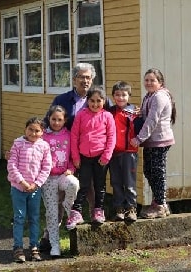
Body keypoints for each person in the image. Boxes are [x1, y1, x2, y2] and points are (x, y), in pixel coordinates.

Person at [40, 62, 112, 251]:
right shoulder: (62, 99)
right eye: (81, 77)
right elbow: (47, 122)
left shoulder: (100, 98)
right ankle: (49, 236)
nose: (85, 80)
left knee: (92, 190)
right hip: (66, 156)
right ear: (73, 79)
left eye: (88, 77)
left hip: (93, 155)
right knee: (61, 194)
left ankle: (92, 229)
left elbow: (112, 120)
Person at [66, 86, 116, 229]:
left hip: (101, 158)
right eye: (92, 101)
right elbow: (74, 136)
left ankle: (98, 211)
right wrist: (75, 157)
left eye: (98, 101)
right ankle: (76, 212)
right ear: (87, 101)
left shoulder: (107, 116)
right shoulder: (81, 115)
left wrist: (107, 155)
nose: (95, 104)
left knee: (100, 186)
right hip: (84, 157)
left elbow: (112, 137)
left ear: (104, 101)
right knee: (84, 186)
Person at [130, 68, 176, 219]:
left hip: (159, 140)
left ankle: (160, 205)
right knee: (149, 171)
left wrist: (138, 139)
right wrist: (139, 113)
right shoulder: (150, 95)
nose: (149, 83)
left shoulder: (159, 96)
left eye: (152, 80)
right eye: (147, 80)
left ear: (160, 82)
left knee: (157, 171)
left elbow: (152, 120)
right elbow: (147, 115)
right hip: (151, 141)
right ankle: (159, 201)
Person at [7, 117, 52, 263]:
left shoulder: (44, 146)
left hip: (34, 189)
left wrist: (36, 184)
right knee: (19, 217)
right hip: (18, 188)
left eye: (37, 130)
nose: (33, 133)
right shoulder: (18, 144)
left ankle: (34, 246)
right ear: (25, 130)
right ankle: (18, 248)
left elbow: (46, 167)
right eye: (30, 130)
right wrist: (22, 182)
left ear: (42, 132)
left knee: (34, 217)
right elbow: (12, 165)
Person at [41, 105, 79, 258]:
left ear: (65, 120)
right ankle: (55, 245)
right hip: (48, 178)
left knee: (74, 183)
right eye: (53, 119)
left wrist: (71, 169)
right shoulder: (42, 136)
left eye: (60, 120)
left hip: (64, 175)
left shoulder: (69, 135)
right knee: (52, 213)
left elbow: (72, 155)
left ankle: (68, 204)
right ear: (49, 119)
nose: (56, 122)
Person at [109, 81, 139, 223]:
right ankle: (119, 208)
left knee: (129, 182)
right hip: (113, 152)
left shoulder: (134, 112)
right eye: (117, 95)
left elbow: (142, 127)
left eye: (124, 95)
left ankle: (131, 209)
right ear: (113, 96)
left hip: (129, 152)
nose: (120, 98)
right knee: (116, 181)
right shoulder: (110, 111)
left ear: (129, 96)